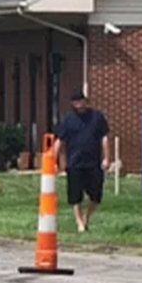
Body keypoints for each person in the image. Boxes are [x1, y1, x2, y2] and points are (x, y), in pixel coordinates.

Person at [54, 89, 110, 233]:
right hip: (74, 163)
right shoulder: (68, 119)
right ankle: (79, 222)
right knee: (75, 196)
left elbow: (104, 137)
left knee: (96, 196)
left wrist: (106, 158)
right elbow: (59, 140)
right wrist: (54, 161)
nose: (78, 104)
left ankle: (86, 217)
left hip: (94, 162)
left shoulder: (97, 117)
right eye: (75, 102)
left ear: (85, 101)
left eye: (80, 101)